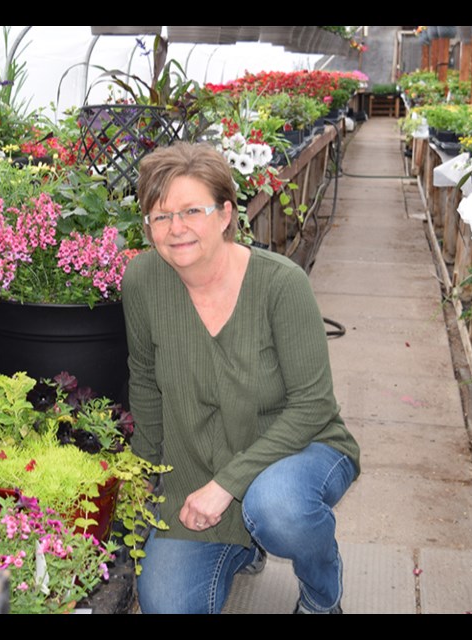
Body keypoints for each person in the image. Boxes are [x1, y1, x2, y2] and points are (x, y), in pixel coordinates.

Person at [122, 142, 360, 614]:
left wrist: (227, 484)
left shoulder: (280, 285)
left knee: (279, 507)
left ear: (226, 213)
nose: (176, 228)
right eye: (160, 216)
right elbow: (145, 384)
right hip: (195, 473)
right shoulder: (143, 280)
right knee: (164, 606)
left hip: (297, 450)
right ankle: (244, 544)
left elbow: (312, 407)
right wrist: (141, 476)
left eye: (192, 210)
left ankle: (320, 594)